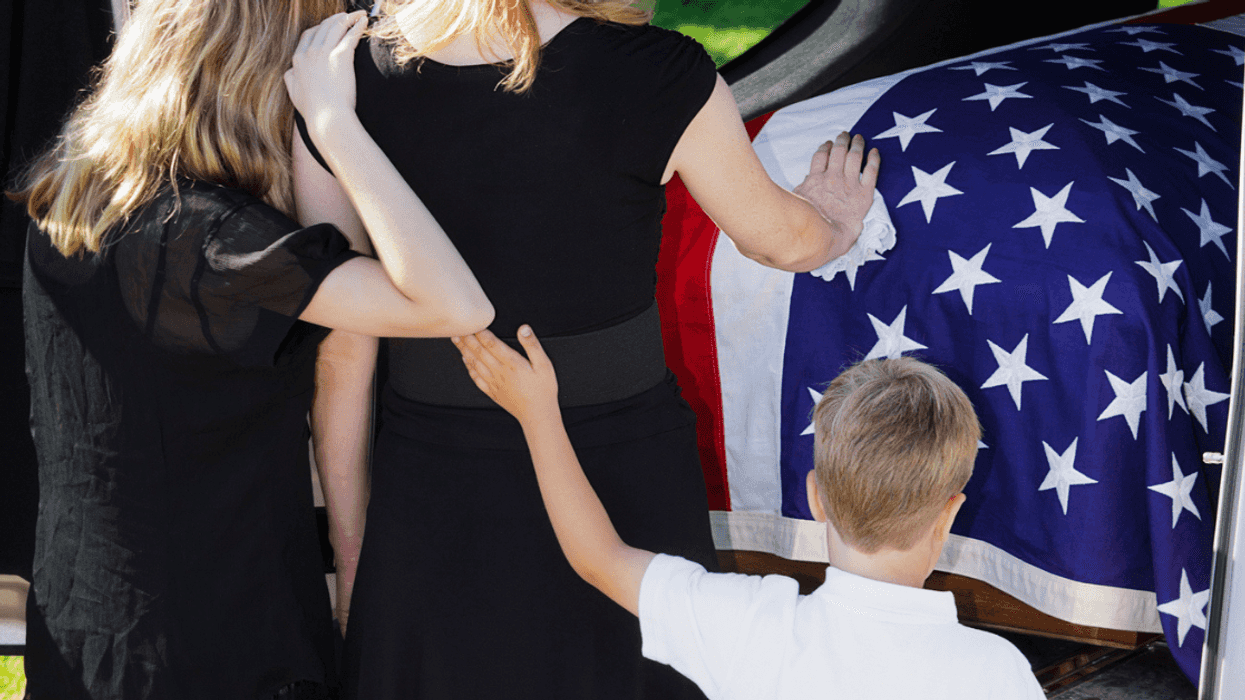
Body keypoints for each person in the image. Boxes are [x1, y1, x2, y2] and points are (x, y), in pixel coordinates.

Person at [295, 1, 881, 697]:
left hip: (428, 472)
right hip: (620, 469)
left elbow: (341, 351)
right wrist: (834, 220)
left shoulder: (337, 73)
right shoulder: (658, 70)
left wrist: (353, 552)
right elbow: (776, 238)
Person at [9, 6, 492, 699]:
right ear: (272, 75)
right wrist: (334, 124)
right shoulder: (212, 242)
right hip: (217, 647)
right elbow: (456, 304)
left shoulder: (72, 200)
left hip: (87, 634)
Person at [455, 329, 1046, 700]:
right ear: (949, 515)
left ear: (815, 497)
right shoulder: (996, 674)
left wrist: (536, 414)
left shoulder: (749, 625)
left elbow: (599, 560)